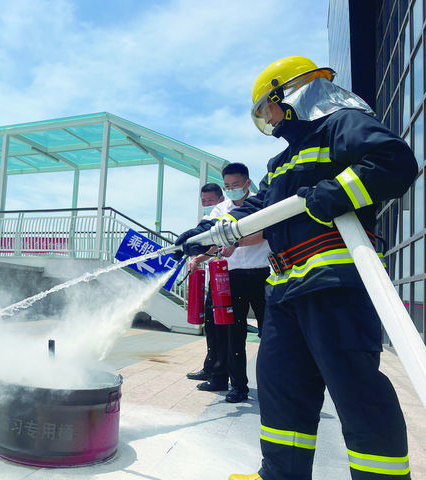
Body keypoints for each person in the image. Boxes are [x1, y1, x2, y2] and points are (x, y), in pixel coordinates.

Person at [176, 56, 417, 480]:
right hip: (285, 287)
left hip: (333, 278)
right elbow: (258, 208)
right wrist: (206, 231)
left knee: (356, 392)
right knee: (280, 386)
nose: (268, 119)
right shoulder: (283, 162)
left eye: (266, 108)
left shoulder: (341, 125)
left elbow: (393, 160)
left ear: (286, 95)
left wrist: (334, 193)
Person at [206, 162, 270, 403]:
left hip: (263, 274)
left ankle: (271, 384)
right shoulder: (220, 209)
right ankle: (238, 386)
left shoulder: (261, 203)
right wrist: (199, 251)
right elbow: (211, 237)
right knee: (235, 333)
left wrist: (236, 243)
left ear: (247, 183)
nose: (232, 189)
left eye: (236, 185)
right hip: (233, 278)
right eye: (227, 186)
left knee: (270, 333)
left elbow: (265, 233)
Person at [185, 183, 227, 391]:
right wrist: (197, 259)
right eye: (203, 201)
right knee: (211, 323)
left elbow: (218, 245)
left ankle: (223, 374)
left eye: (210, 201)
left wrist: (199, 258)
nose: (206, 204)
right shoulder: (207, 220)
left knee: (224, 328)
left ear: (220, 199)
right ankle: (210, 367)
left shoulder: (230, 213)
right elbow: (212, 246)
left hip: (232, 277)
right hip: (216, 276)